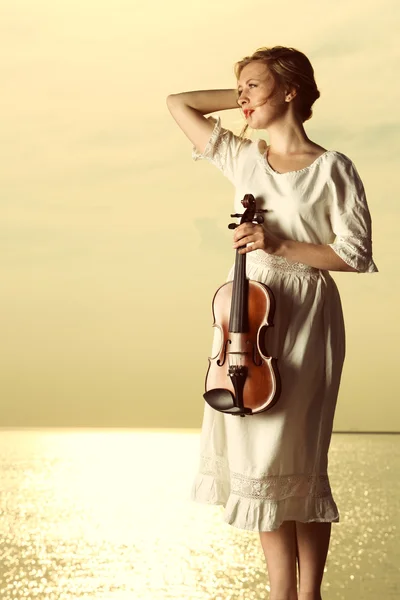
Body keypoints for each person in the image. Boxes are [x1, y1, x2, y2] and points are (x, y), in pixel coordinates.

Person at [166, 46, 378, 600]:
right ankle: (284, 594)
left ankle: (308, 594)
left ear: (290, 90)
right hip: (248, 320)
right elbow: (179, 103)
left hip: (306, 314)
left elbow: (354, 254)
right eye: (239, 90)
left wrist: (281, 243)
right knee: (260, 462)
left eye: (254, 86)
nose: (241, 98)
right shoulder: (243, 157)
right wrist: (243, 96)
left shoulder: (335, 169)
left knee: (298, 457)